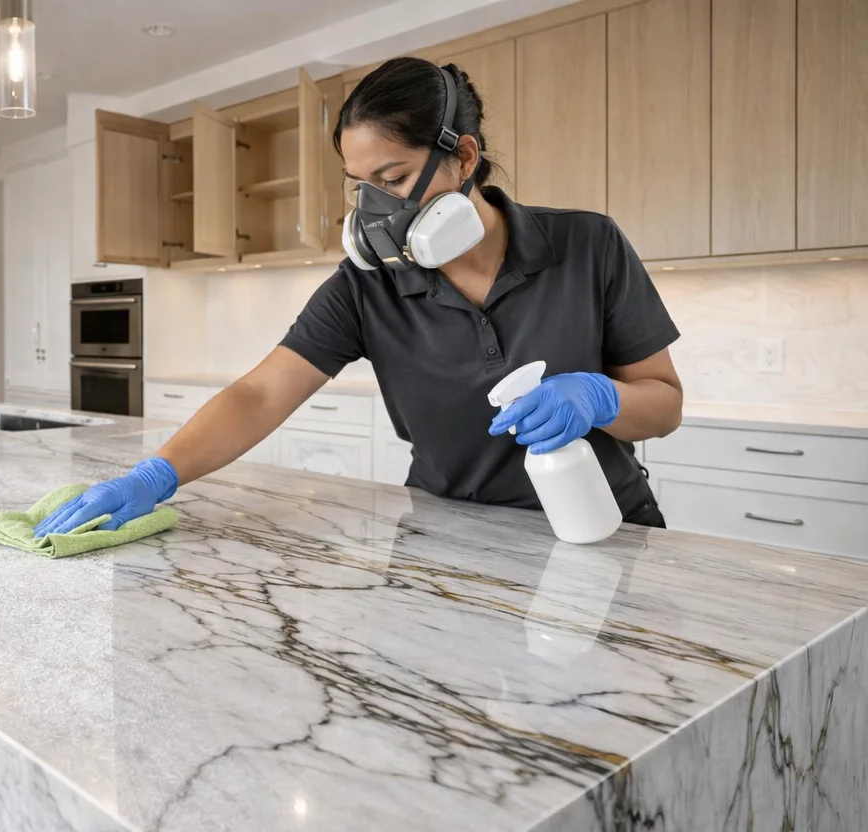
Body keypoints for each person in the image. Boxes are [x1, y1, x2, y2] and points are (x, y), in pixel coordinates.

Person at [35, 56, 683, 539]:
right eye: (360, 185)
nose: (378, 208)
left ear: (462, 156)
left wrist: (599, 398)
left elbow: (664, 403)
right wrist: (156, 475)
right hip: (448, 535)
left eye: (393, 178)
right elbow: (260, 393)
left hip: (608, 525)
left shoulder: (587, 243)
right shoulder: (367, 284)